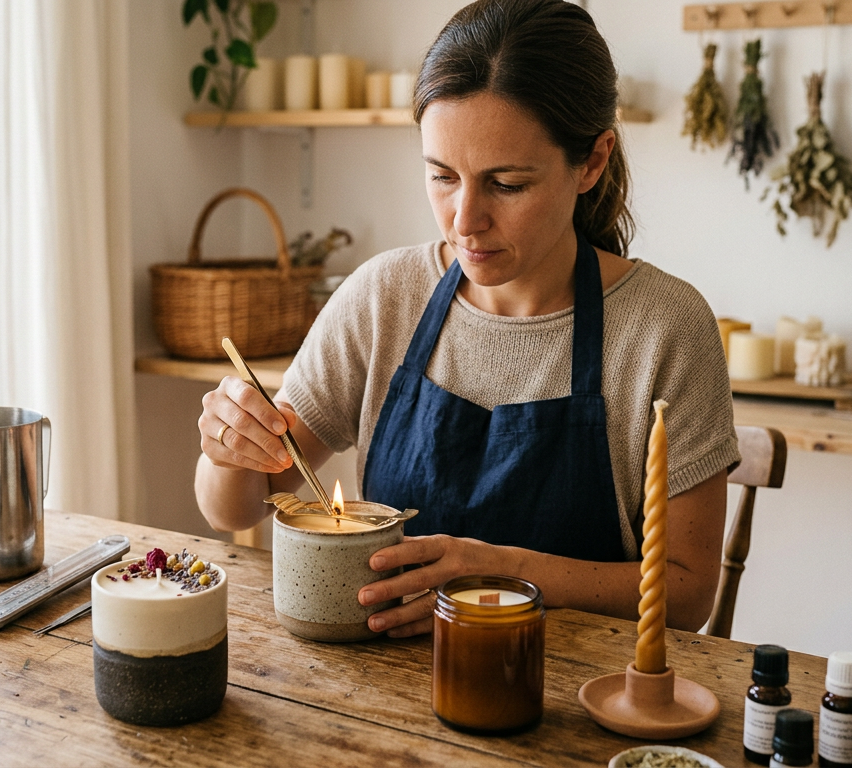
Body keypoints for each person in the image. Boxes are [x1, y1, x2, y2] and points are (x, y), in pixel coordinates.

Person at [193, 0, 739, 638]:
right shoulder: (384, 297)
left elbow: (690, 590)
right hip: (386, 688)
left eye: (507, 184)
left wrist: (497, 577)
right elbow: (233, 508)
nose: (464, 219)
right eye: (442, 176)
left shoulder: (664, 328)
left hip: (572, 698)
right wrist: (228, 450)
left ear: (591, 162)